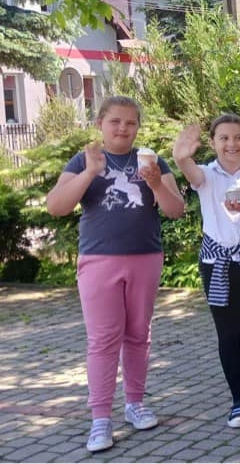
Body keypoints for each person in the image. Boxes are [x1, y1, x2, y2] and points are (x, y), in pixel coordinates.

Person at [46, 96, 186, 452]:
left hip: (145, 258)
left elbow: (176, 210)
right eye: (115, 121)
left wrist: (156, 183)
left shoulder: (153, 160)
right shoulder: (84, 160)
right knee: (103, 339)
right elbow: (56, 206)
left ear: (138, 126)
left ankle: (135, 404)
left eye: (130, 122)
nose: (123, 128)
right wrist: (90, 173)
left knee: (138, 335)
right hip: (99, 260)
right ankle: (100, 419)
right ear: (100, 124)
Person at [172, 116, 240, 429]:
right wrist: (181, 155)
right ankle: (238, 401)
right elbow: (187, 167)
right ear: (213, 142)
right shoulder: (205, 174)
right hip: (216, 263)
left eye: (238, 137)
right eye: (224, 138)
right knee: (228, 334)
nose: (232, 144)